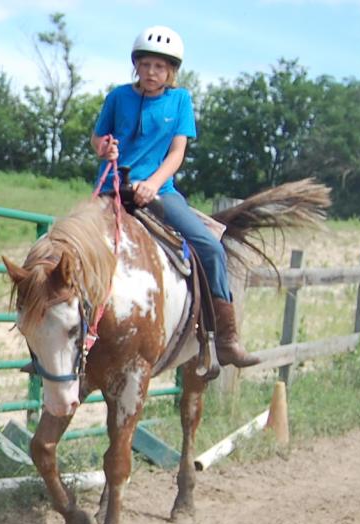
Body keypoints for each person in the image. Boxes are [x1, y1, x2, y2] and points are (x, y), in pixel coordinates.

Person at [91, 25, 257, 367]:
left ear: (172, 71)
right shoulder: (117, 97)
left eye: (161, 67)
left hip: (160, 192)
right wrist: (104, 148)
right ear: (136, 65)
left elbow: (176, 153)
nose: (153, 73)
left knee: (209, 247)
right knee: (68, 244)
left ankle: (225, 337)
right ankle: (53, 343)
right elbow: (98, 141)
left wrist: (152, 184)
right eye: (147, 64)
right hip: (112, 190)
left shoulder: (179, 101)